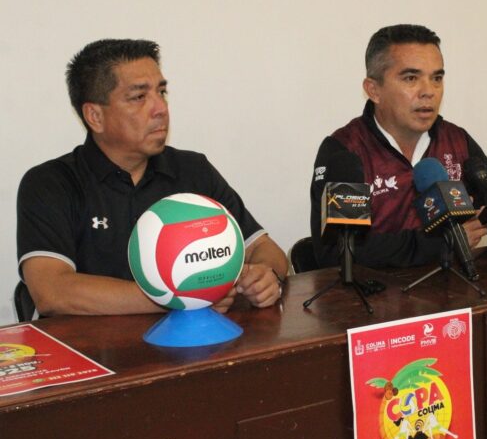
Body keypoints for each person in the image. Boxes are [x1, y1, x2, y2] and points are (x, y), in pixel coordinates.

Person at [16, 39, 287, 316]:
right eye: (139, 97)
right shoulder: (51, 183)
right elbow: (52, 292)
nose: (161, 109)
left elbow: (263, 248)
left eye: (162, 92)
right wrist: (181, 298)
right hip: (89, 343)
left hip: (194, 339)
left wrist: (265, 276)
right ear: (95, 116)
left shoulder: (192, 170)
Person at [310, 24, 487, 268]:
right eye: (411, 78)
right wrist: (441, 243)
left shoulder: (456, 141)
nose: (429, 92)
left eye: (437, 78)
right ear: (373, 90)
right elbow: (336, 251)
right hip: (378, 291)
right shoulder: (346, 151)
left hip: (456, 287)